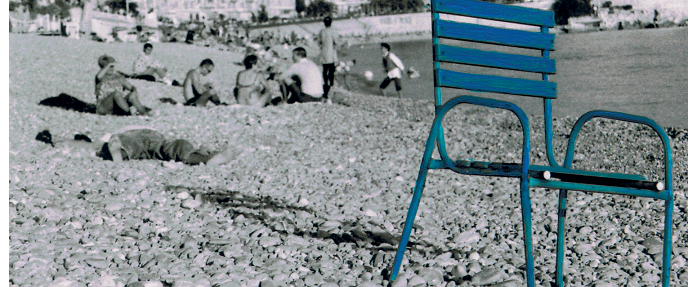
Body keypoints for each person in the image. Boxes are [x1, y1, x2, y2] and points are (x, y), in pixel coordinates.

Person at [35, 127, 238, 166]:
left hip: (146, 138)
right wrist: (53, 139)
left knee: (177, 145)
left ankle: (207, 157)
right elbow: (79, 144)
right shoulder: (103, 139)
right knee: (176, 147)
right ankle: (203, 157)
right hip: (146, 137)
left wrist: (55, 139)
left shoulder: (104, 137)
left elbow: (79, 144)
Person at [318, 16, 340, 99]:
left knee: (324, 70)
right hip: (331, 52)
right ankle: (331, 85)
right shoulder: (333, 31)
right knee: (331, 70)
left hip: (324, 52)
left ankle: (325, 84)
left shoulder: (321, 32)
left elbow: (319, 42)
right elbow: (336, 42)